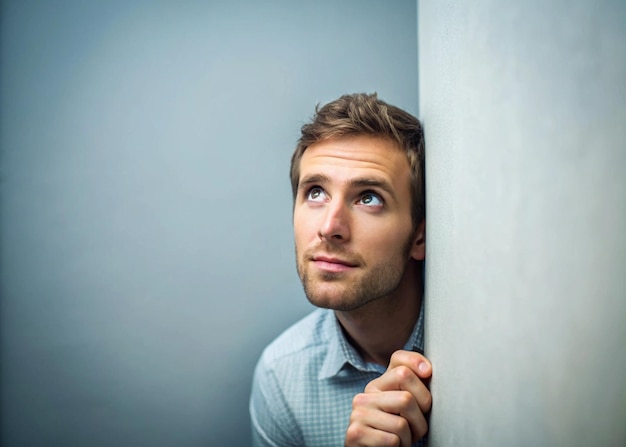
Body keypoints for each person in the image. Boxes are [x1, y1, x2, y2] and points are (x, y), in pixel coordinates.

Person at [250, 93, 432, 447]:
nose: (330, 226)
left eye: (368, 197)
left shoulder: (482, 353)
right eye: (316, 192)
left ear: (419, 236)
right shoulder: (282, 376)